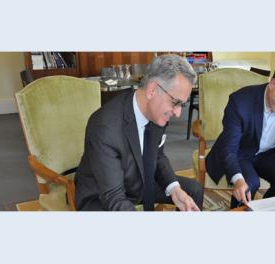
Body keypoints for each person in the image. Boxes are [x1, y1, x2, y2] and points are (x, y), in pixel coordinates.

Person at [75, 54, 203, 211]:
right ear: (152, 90)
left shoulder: (157, 113)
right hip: (102, 194)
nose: (177, 113)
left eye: (182, 105)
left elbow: (158, 156)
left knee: (193, 191)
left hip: (140, 180)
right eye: (176, 103)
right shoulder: (105, 126)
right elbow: (114, 198)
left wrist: (174, 189)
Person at [206, 60, 275, 208]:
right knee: (249, 184)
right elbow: (229, 148)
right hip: (240, 152)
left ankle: (266, 210)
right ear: (272, 84)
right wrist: (238, 180)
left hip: (269, 153)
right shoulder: (240, 102)